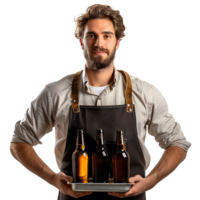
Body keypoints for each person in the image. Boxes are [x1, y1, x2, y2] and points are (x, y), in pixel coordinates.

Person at [8, 3, 193, 200]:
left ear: (118, 43)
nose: (98, 43)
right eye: (91, 36)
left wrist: (150, 181)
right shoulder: (54, 92)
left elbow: (178, 143)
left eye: (107, 35)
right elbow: (18, 142)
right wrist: (52, 178)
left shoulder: (146, 92)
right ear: (80, 42)